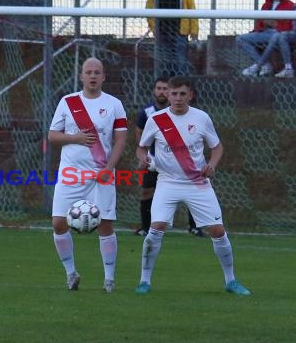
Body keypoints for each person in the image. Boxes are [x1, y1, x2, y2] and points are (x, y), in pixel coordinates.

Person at [134, 76, 251, 296]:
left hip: (197, 183)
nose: (177, 98)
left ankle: (231, 280)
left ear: (190, 95)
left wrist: (212, 164)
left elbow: (217, 148)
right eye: (173, 93)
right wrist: (144, 159)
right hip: (167, 182)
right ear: (167, 94)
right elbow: (141, 148)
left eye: (182, 94)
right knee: (156, 228)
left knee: (218, 230)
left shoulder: (201, 118)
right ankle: (144, 281)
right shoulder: (156, 120)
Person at [48, 57, 127, 293]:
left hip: (101, 173)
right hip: (71, 174)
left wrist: (108, 169)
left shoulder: (114, 104)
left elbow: (121, 139)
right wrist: (76, 138)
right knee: (58, 222)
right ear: (81, 76)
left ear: (104, 77)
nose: (92, 76)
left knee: (105, 225)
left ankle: (109, 280)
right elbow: (52, 136)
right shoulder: (67, 102)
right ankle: (71, 274)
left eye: (97, 72)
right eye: (88, 72)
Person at [134, 77, 205, 238]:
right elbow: (139, 134)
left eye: (165, 89)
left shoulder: (185, 113)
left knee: (192, 192)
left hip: (181, 161)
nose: (162, 92)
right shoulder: (146, 112)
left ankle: (194, 227)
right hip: (155, 161)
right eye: (158, 88)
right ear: (154, 91)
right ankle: (146, 227)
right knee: (146, 192)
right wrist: (144, 157)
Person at [236, 0, 295, 78]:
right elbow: (260, 21)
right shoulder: (266, 4)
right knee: (240, 39)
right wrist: (264, 24)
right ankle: (264, 65)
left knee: (276, 37)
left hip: (277, 32)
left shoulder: (290, 5)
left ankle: (258, 65)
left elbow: (289, 28)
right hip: (265, 32)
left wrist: (276, 25)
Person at [146, 0, 199, 76]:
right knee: (164, 63)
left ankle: (180, 85)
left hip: (180, 32)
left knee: (180, 62)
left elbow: (191, 9)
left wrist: (194, 30)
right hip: (162, 32)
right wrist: (154, 28)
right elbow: (149, 9)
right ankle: (166, 85)